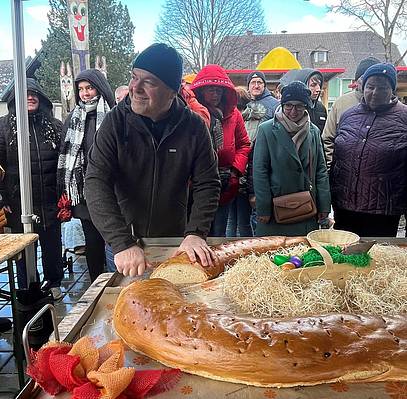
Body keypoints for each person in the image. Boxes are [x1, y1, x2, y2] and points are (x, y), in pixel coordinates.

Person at [85, 43, 220, 277]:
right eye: (134, 77)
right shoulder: (115, 123)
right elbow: (96, 182)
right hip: (123, 242)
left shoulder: (194, 127)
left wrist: (196, 233)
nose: (135, 88)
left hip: (175, 241)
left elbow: (207, 183)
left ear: (173, 90)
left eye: (149, 82)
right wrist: (122, 242)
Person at [0, 78, 64, 299]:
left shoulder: (53, 126)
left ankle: (54, 282)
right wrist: (2, 199)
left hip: (49, 197)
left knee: (52, 244)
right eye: (25, 94)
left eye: (34, 93)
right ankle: (28, 286)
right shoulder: (3, 127)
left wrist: (63, 193)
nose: (30, 97)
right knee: (24, 248)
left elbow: (64, 163)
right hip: (18, 201)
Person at [330, 63, 407, 237]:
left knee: (377, 258)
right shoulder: (348, 116)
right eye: (370, 87)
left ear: (392, 90)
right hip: (345, 206)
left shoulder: (404, 118)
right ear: (363, 87)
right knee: (344, 258)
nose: (375, 92)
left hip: (383, 210)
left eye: (383, 88)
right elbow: (336, 159)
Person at [58, 69, 115, 282]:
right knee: (92, 243)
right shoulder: (72, 118)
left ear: (99, 88)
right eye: (81, 89)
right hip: (82, 193)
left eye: (89, 88)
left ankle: (114, 283)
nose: (85, 93)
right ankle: (96, 286)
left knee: (112, 240)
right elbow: (64, 157)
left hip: (110, 191)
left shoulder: (113, 115)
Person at [253, 81, 331, 236]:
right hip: (276, 207)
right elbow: (260, 170)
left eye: (299, 106)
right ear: (282, 104)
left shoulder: (314, 131)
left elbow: (321, 170)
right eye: (288, 105)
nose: (293, 111)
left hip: (307, 207)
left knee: (304, 255)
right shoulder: (267, 130)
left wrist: (324, 206)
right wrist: (263, 207)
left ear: (306, 106)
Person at [191, 64, 251, 237]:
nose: (215, 94)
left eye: (219, 90)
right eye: (211, 89)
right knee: (196, 234)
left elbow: (243, 145)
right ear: (201, 91)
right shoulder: (191, 115)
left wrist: (234, 171)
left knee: (218, 235)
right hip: (195, 188)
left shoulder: (234, 115)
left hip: (224, 187)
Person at [322, 57, 380, 170]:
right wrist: (331, 168)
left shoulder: (390, 109)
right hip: (344, 174)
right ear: (356, 81)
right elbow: (327, 139)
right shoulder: (341, 103)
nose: (368, 83)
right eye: (363, 78)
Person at [226, 87, 257, 237]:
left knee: (242, 221)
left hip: (243, 180)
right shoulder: (227, 118)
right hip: (233, 177)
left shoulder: (252, 121)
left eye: (240, 105)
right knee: (233, 220)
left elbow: (248, 149)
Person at [280, 68, 327, 133]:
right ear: (303, 85)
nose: (318, 89)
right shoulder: (287, 107)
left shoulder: (321, 108)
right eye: (313, 85)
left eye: (319, 85)